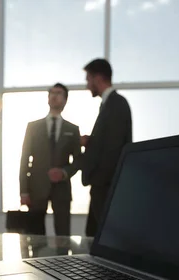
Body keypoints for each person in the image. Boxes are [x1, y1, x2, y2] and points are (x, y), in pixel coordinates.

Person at [78, 58, 132, 237]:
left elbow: (114, 149)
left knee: (101, 238)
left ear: (98, 77)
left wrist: (97, 180)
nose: (87, 85)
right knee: (94, 237)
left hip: (105, 187)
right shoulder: (110, 104)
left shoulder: (116, 104)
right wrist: (91, 141)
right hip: (103, 186)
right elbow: (110, 141)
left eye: (88, 79)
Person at [19, 83, 81, 236]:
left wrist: (64, 173)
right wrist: (23, 191)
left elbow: (79, 160)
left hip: (62, 189)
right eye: (51, 93)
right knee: (34, 234)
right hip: (36, 187)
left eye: (59, 93)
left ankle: (63, 260)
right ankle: (35, 261)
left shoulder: (72, 129)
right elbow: (24, 159)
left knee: (63, 233)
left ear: (65, 100)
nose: (54, 96)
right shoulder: (33, 127)